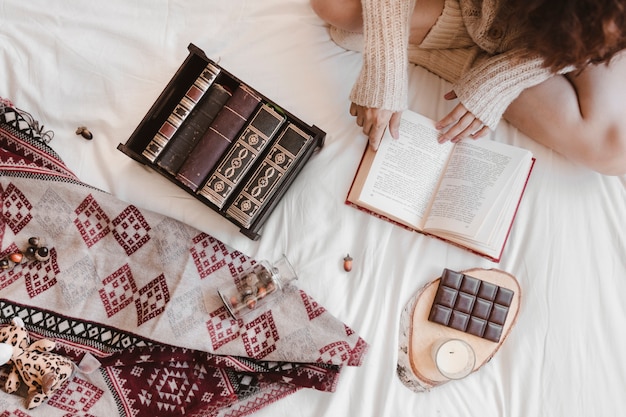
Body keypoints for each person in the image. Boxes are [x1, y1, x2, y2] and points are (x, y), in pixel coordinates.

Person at [310, 0, 626, 176]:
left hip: (559, 37)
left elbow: (597, 44)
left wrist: (500, 80)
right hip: (466, 8)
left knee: (616, 151)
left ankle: (443, 49)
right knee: (333, 5)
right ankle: (430, 41)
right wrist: (386, 65)